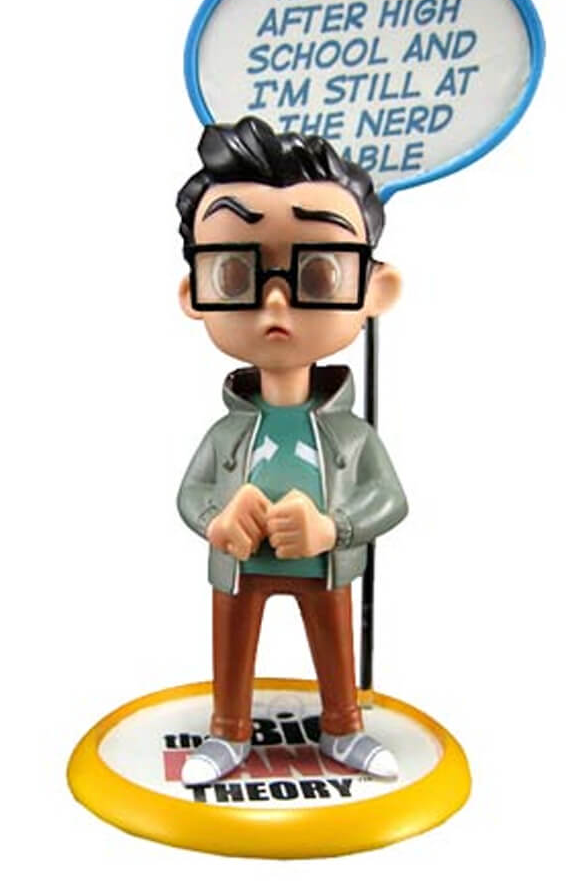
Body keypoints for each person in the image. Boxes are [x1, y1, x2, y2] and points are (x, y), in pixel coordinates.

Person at [175, 116, 408, 786]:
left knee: (335, 643)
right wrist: (217, 522)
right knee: (231, 643)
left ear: (376, 290)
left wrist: (334, 528)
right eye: (235, 272)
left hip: (324, 567)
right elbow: (190, 494)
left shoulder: (351, 435)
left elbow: (391, 499)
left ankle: (343, 725)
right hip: (240, 568)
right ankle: (228, 730)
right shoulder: (227, 435)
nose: (275, 300)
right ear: (194, 294)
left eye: (319, 271)